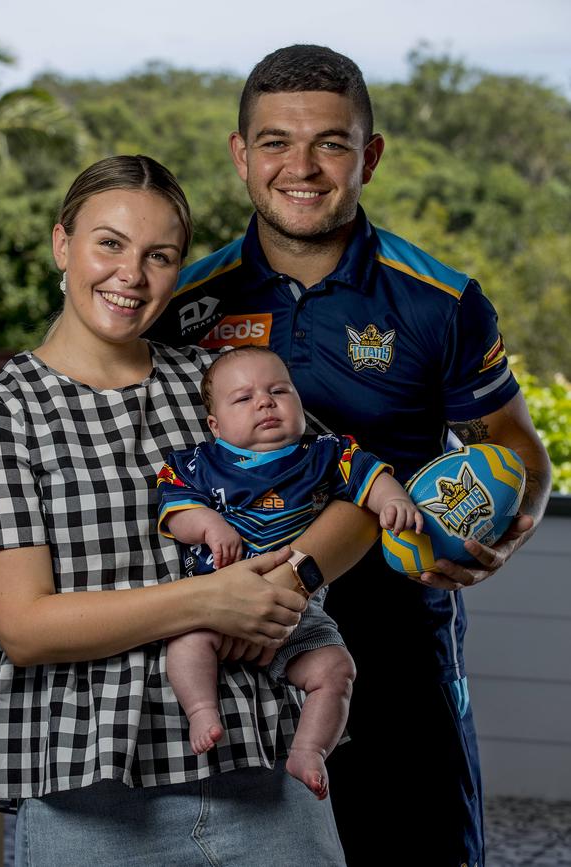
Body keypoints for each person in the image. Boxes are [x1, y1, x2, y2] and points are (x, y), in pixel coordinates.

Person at [146, 46, 553, 867]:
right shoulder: (185, 302)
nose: (300, 167)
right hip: (240, 650)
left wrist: (506, 534)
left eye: (330, 143)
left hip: (401, 645)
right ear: (240, 154)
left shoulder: (441, 299)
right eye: (274, 143)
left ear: (368, 155)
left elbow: (517, 447)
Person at [0, 154, 382, 867]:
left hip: (263, 768)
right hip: (93, 797)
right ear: (63, 244)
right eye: (108, 243)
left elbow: (356, 497)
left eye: (160, 255)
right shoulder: (0, 411)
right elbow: (25, 626)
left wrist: (286, 583)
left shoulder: (214, 380)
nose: (131, 275)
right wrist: (209, 599)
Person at [157, 345, 422, 800]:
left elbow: (369, 476)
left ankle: (310, 749)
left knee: (337, 670)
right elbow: (174, 510)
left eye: (279, 390)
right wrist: (209, 525)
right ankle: (201, 708)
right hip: (212, 603)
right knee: (185, 642)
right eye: (243, 398)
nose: (264, 401)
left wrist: (392, 499)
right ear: (215, 426)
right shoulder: (199, 462)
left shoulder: (324, 453)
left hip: (299, 609)